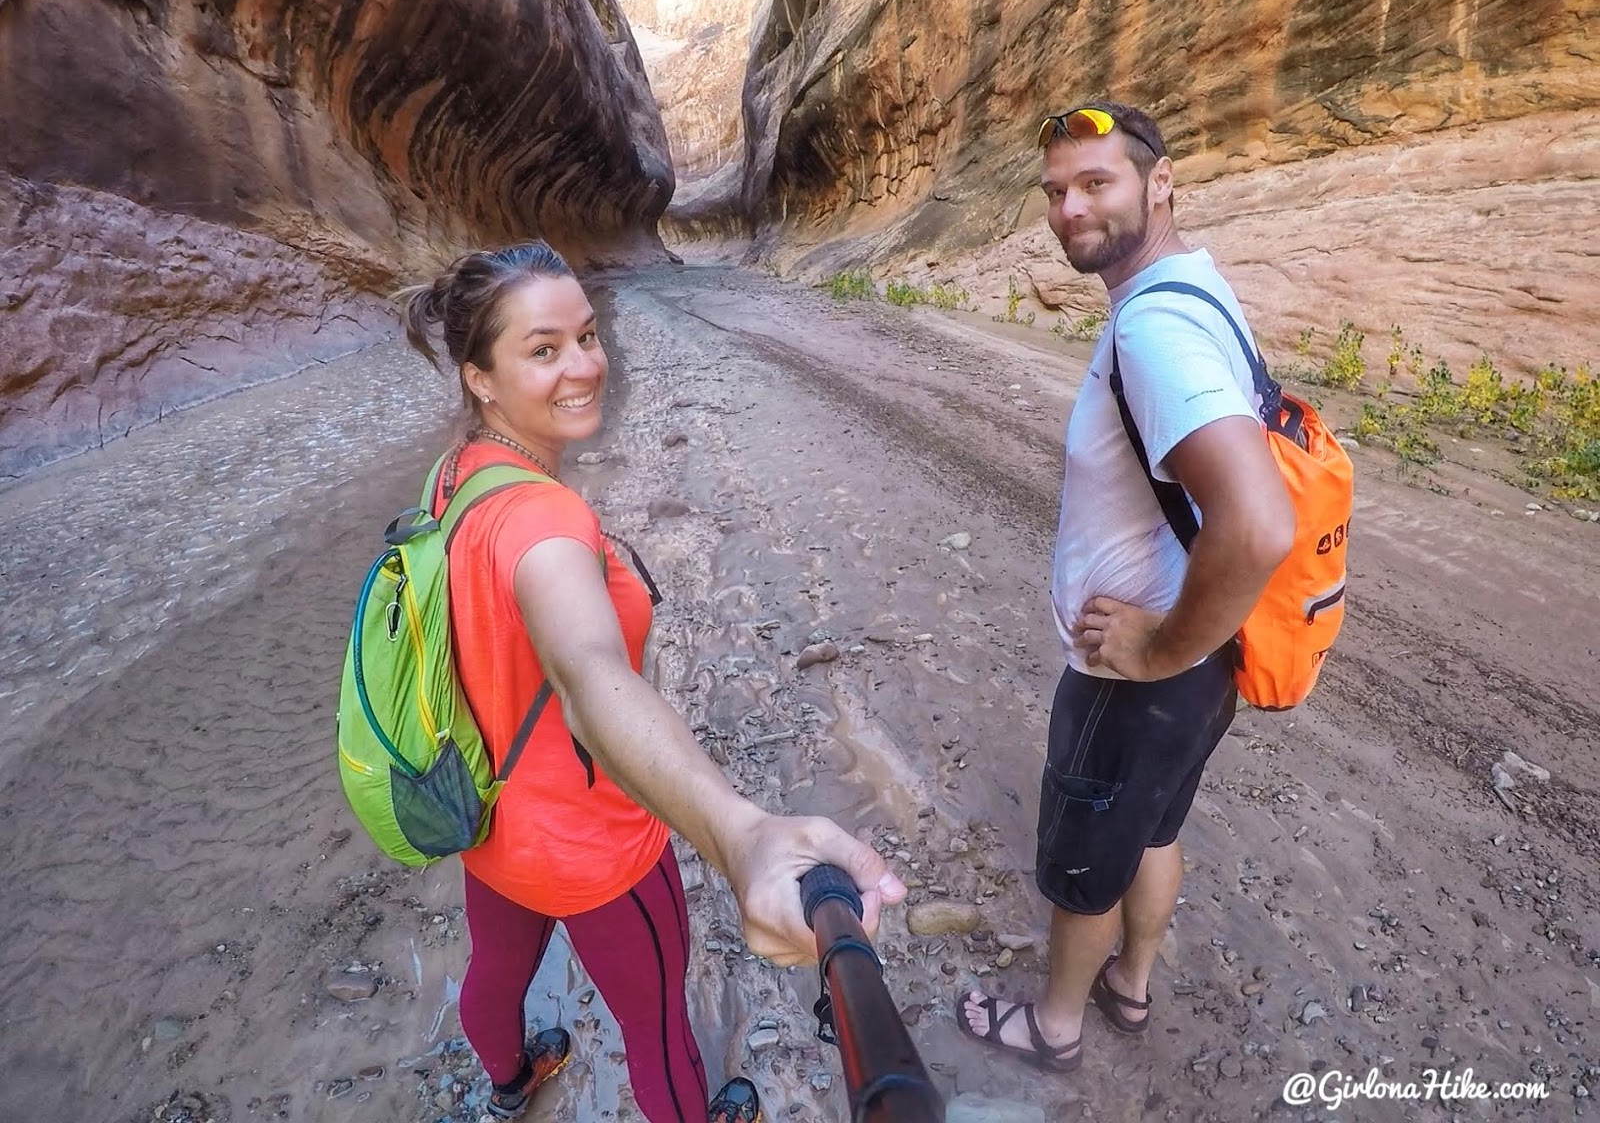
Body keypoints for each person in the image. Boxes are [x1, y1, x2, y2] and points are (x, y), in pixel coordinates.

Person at [400, 243, 906, 1120]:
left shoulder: (455, 481)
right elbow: (591, 675)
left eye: (588, 336)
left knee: (497, 971)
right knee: (657, 1024)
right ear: (480, 378)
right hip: (598, 847)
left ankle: (512, 1081)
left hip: (490, 825)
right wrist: (741, 833)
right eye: (544, 348)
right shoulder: (547, 520)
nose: (586, 365)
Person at [957, 102, 1295, 1069]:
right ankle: (1132, 987)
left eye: (1096, 182)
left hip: (1144, 669)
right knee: (1154, 825)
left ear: (1162, 183)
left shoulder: (1156, 331)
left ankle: (1055, 1027)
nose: (1069, 208)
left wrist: (1153, 646)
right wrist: (1188, 645)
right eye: (1056, 191)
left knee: (1083, 865)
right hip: (1207, 655)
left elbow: (1258, 521)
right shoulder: (1193, 287)